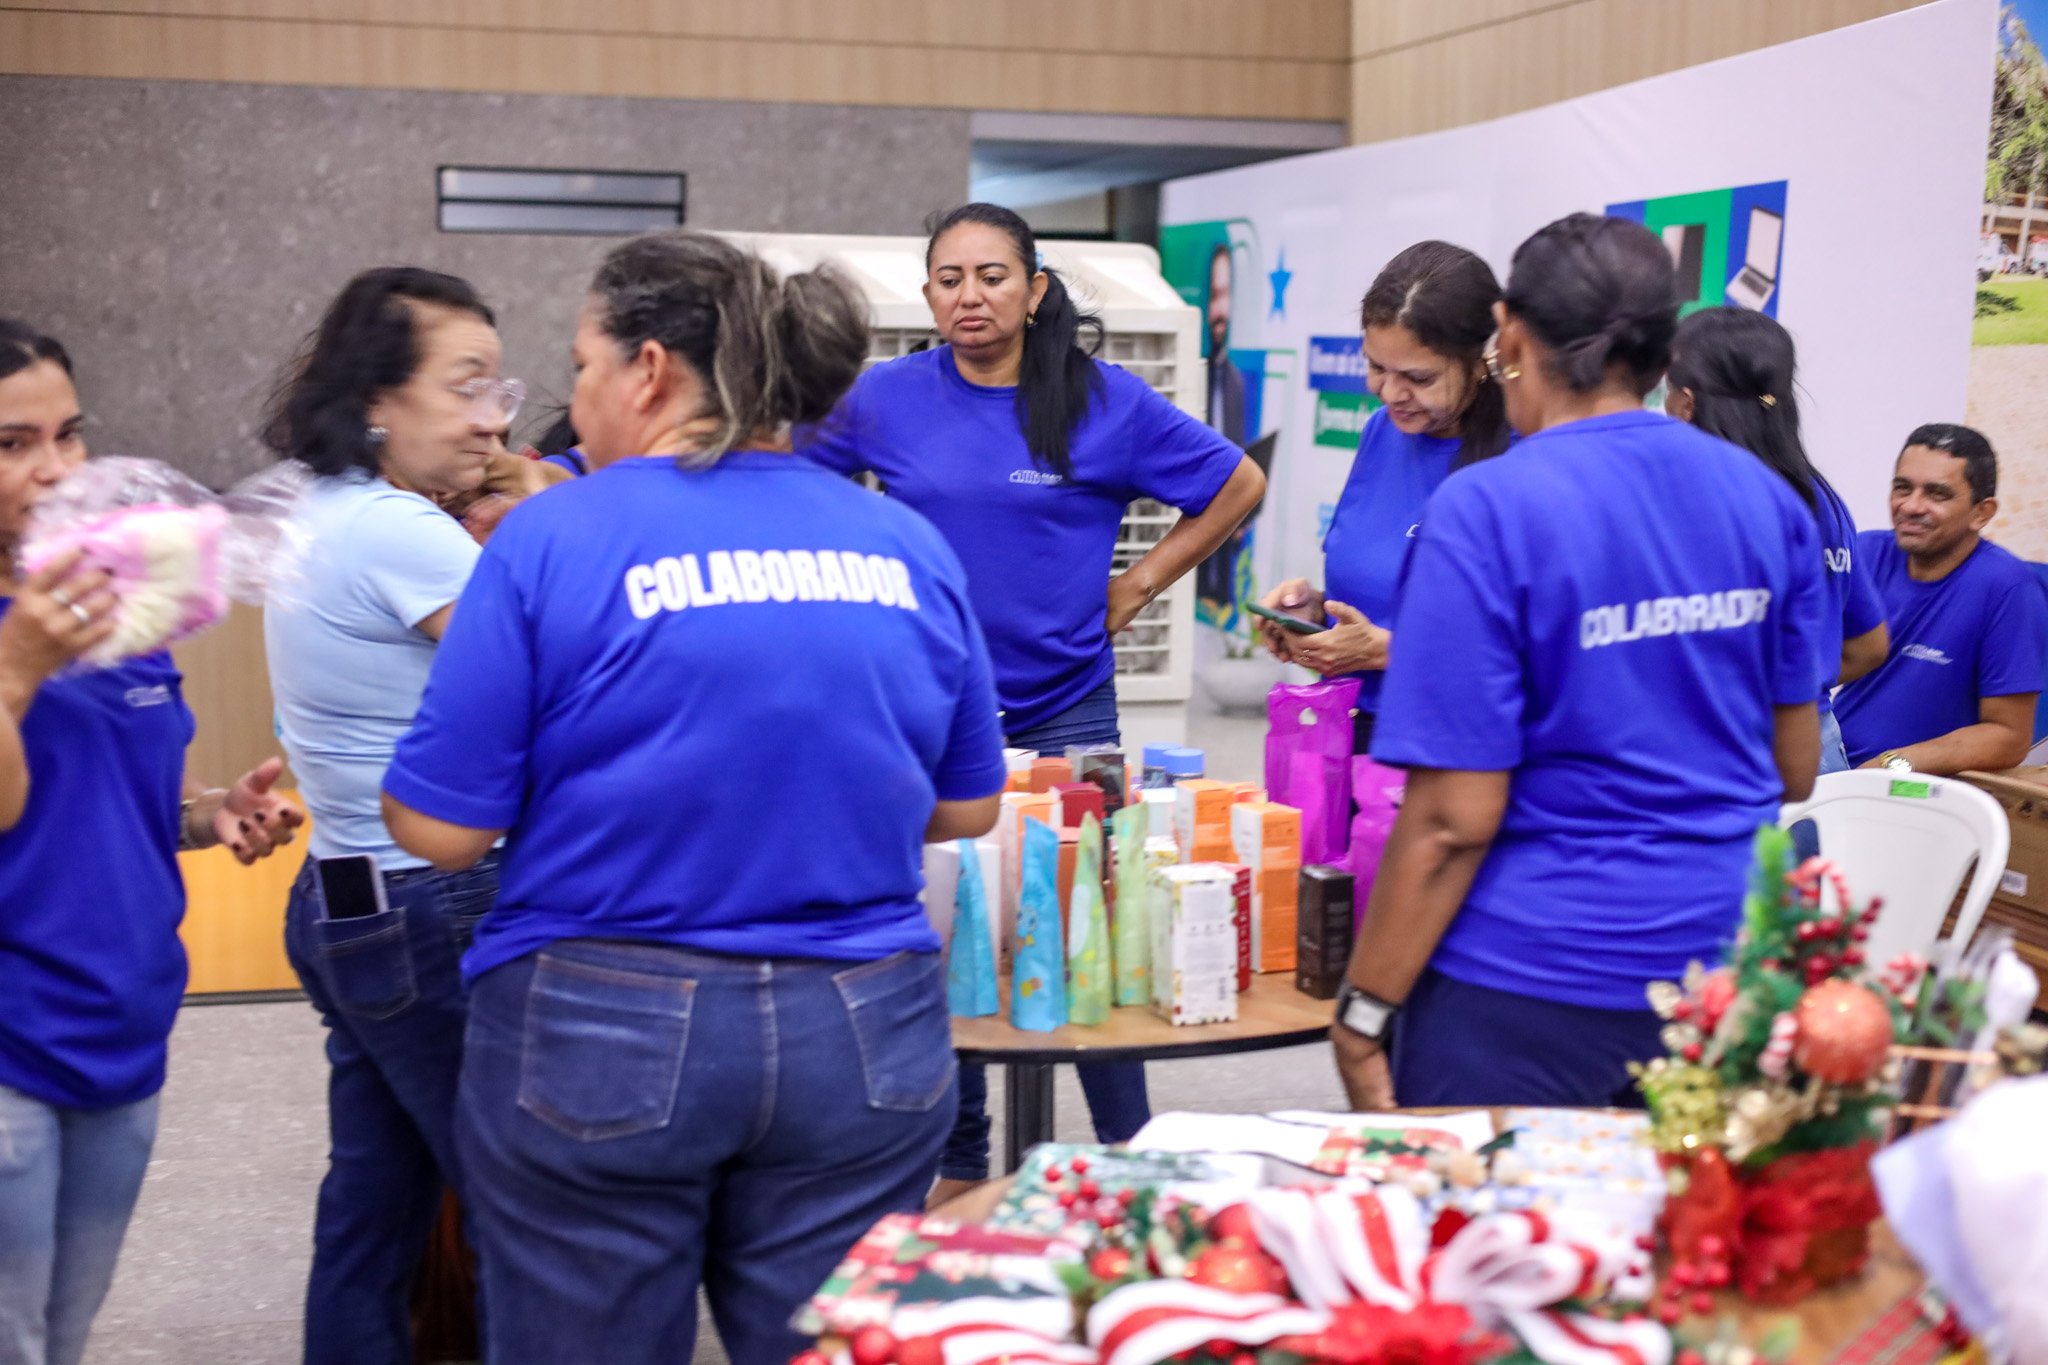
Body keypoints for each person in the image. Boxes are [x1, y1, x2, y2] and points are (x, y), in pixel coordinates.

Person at [379, 231, 1010, 1365]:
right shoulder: (902, 542)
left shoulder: (553, 535)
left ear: (650, 369)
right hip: (861, 1032)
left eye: (579, 366)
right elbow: (964, 810)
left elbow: (442, 827)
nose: (570, 399)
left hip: (600, 1023)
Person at [797, 202, 1265, 1201]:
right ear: (927, 295)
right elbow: (789, 483)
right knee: (951, 938)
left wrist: (1140, 582)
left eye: (991, 276)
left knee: (1090, 933)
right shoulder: (883, 398)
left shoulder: (1103, 400)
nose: (969, 296)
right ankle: (958, 1165)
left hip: (1069, 712)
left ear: (1033, 289)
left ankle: (1127, 1163)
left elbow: (1235, 481)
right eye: (949, 279)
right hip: (933, 714)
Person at [1326, 214, 1826, 1110]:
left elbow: (1452, 818)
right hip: (1724, 972)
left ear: (1508, 333)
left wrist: (1363, 1014)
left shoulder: (1486, 507)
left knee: (1506, 1246)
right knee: (1684, 1245)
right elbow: (1793, 768)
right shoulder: (1767, 499)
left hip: (1524, 979)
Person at [0, 318, 303, 1365]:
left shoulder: (111, 600)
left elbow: (130, 795)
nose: (54, 470)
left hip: (122, 1032)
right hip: (10, 1044)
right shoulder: (30, 629)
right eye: (12, 444)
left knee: (63, 1335)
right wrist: (15, 667)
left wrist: (209, 813)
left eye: (68, 435)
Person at [260, 266, 548, 1365]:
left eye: (499, 384)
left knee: (372, 1204)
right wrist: (542, 517)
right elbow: (561, 678)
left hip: (346, 900)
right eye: (467, 385)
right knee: (523, 1205)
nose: (493, 415)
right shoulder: (399, 532)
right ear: (378, 397)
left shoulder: (318, 508)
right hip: (435, 907)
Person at [1254, 241, 1511, 752]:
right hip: (1349, 732)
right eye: (1376, 367)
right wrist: (1310, 614)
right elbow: (1381, 594)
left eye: (1418, 378)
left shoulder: (1524, 459)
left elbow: (1544, 646)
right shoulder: (1381, 431)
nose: (1390, 393)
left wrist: (1389, 652)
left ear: (1484, 359)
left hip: (1458, 750)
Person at [1666, 307, 1889, 775]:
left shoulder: (1682, 508)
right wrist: (1803, 683)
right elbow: (1868, 645)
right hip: (1815, 749)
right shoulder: (1822, 501)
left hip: (1714, 755)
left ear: (1686, 402)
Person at [1835, 424, 2047, 775]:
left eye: (1937, 494)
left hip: (1917, 786)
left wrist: (1890, 766)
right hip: (1833, 764)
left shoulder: (2009, 589)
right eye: (1902, 488)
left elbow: (2009, 737)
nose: (1911, 506)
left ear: (1982, 512)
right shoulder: (1864, 552)